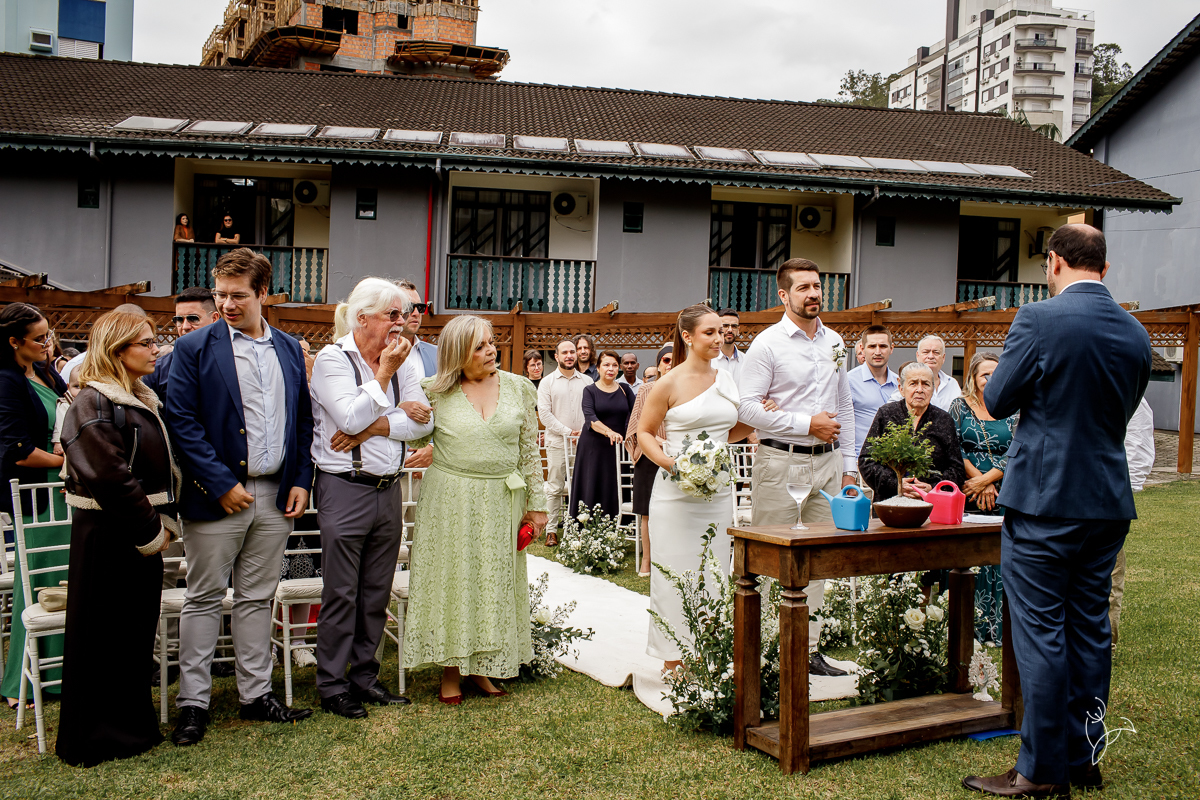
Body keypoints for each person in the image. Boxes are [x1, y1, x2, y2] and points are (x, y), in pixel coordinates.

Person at [963, 223, 1152, 798]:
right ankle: (1083, 757)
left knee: (1041, 630)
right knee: (1090, 627)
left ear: (1052, 263)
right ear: (1105, 268)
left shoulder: (1038, 319)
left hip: (1045, 499)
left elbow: (998, 399)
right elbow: (1123, 407)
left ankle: (1042, 769)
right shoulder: (1136, 331)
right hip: (1106, 500)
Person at [164, 247, 315, 746]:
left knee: (257, 597)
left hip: (276, 495)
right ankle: (193, 704)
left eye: (238, 295)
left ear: (262, 293)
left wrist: (301, 479)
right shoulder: (193, 348)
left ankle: (256, 695)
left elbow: (302, 420)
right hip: (216, 497)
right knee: (204, 598)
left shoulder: (288, 347)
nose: (227, 304)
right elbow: (181, 422)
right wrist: (220, 484)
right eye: (220, 295)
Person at [54, 310, 179, 766]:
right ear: (116, 350)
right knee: (101, 633)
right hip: (107, 534)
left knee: (131, 633)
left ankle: (130, 729)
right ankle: (96, 737)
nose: (155, 349)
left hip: (134, 531)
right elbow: (110, 476)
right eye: (145, 343)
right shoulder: (92, 402)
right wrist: (151, 531)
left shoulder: (135, 397)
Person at [403, 314, 548, 703]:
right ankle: (451, 670)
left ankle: (484, 666)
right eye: (479, 346)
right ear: (457, 354)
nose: (490, 351)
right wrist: (406, 412)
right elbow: (411, 437)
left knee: (493, 582)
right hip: (450, 500)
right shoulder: (434, 391)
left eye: (491, 342)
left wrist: (537, 506)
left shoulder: (519, 388)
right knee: (453, 580)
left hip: (502, 499)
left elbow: (529, 453)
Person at [309, 278, 434, 719]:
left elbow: (424, 424)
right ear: (362, 318)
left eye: (404, 314)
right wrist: (383, 381)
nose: (402, 322)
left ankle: (364, 677)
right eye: (393, 315)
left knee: (376, 591)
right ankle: (332, 685)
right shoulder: (333, 359)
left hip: (388, 488)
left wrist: (373, 428)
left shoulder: (405, 359)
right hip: (345, 486)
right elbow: (347, 416)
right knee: (341, 592)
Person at [737, 258, 857, 678]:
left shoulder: (835, 341)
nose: (814, 294)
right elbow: (747, 408)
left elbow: (844, 405)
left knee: (818, 559)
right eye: (804, 287)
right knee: (770, 556)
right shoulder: (766, 344)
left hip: (828, 463)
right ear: (784, 295)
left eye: (817, 286)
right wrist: (808, 424)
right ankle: (764, 651)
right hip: (780, 461)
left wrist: (850, 467)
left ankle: (808, 651)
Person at [638, 306, 753, 672]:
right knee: (675, 570)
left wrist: (751, 424)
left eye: (721, 331)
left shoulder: (727, 379)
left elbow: (730, 431)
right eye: (710, 332)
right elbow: (644, 432)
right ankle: (673, 658)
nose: (720, 338)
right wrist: (671, 463)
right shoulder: (668, 382)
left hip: (717, 492)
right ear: (687, 337)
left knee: (713, 571)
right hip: (675, 493)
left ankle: (706, 649)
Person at [0, 303, 69, 711]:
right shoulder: (6, 381)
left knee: (64, 580)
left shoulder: (45, 372)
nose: (47, 343)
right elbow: (17, 450)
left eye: (49, 335)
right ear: (13, 341)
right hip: (37, 494)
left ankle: (61, 673)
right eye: (39, 338)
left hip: (63, 490)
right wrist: (67, 463)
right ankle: (21, 682)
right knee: (37, 582)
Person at [948, 353, 1017, 646]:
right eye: (984, 375)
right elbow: (953, 446)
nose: (990, 379)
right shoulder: (959, 406)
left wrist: (989, 480)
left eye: (995, 374)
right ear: (973, 378)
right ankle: (967, 626)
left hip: (1005, 489)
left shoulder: (1015, 407)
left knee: (1000, 556)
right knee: (969, 554)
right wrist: (977, 481)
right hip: (968, 489)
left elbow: (1019, 448)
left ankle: (997, 627)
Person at [859, 362, 966, 502]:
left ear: (933, 389)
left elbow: (957, 469)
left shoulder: (944, 420)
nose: (919, 389)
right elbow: (866, 461)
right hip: (890, 502)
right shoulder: (886, 414)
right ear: (901, 388)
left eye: (926, 384)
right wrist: (895, 484)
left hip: (931, 504)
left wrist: (933, 488)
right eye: (913, 384)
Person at [536, 338, 592, 545]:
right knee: (555, 487)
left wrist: (583, 433)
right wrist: (569, 432)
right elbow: (545, 415)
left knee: (581, 486)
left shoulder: (587, 382)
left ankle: (578, 528)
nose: (569, 356)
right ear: (556, 356)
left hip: (583, 443)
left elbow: (592, 411)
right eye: (565, 352)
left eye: (572, 352)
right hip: (558, 443)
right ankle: (551, 530)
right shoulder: (547, 382)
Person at [569, 351, 635, 520]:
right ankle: (589, 523)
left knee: (615, 483)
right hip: (593, 447)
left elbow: (636, 415)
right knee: (592, 483)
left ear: (619, 369)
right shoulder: (589, 390)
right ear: (598, 368)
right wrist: (609, 432)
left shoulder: (625, 389)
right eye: (606, 365)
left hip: (618, 448)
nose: (610, 369)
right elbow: (590, 418)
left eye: (614, 365)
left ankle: (618, 524)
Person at [626, 345, 673, 577]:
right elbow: (636, 425)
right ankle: (647, 559)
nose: (670, 364)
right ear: (659, 364)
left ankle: (670, 559)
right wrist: (657, 441)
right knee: (647, 511)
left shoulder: (688, 390)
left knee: (675, 510)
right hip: (649, 454)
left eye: (675, 360)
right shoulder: (646, 389)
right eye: (666, 360)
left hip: (677, 454)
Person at [1111, 396, 1153, 649]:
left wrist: (1121, 491)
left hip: (1109, 499)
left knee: (1109, 572)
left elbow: (1138, 443)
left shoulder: (1127, 390)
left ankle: (1106, 641)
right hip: (1066, 498)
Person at [395, 280, 437, 527]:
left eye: (420, 307)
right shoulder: (377, 353)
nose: (415, 313)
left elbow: (449, 407)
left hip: (429, 467)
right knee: (388, 543)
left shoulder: (437, 354)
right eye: (409, 307)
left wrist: (433, 449)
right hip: (389, 465)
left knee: (423, 539)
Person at [143, 287, 221, 403]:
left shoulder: (230, 361)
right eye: (179, 320)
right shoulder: (159, 369)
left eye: (193, 319)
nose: (185, 327)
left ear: (214, 318)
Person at [847, 324, 899, 461]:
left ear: (891, 348)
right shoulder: (849, 381)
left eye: (883, 346)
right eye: (872, 346)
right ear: (862, 349)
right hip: (861, 460)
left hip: (893, 462)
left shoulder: (899, 383)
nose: (877, 352)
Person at [890, 335, 962, 411]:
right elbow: (890, 411)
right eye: (926, 352)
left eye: (936, 352)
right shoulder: (908, 382)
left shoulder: (952, 384)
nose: (931, 356)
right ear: (918, 355)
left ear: (943, 357)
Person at [713, 308, 746, 385]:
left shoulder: (745, 360)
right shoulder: (709, 360)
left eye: (734, 326)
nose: (730, 330)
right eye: (725, 326)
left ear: (738, 330)